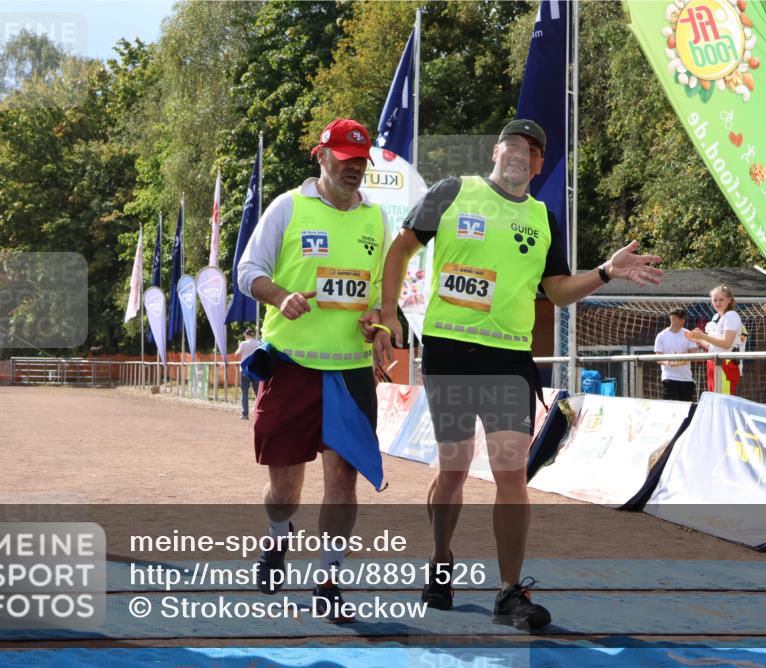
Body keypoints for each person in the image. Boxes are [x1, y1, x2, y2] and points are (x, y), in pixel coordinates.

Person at [375, 119, 662, 630]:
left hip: (509, 358)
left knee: (511, 474)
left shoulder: (543, 218)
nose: (519, 153)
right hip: (451, 351)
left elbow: (556, 292)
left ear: (537, 165)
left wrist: (605, 272)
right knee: (456, 468)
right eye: (512, 143)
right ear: (494, 151)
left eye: (531, 149)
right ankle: (441, 560)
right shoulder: (452, 192)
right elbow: (400, 250)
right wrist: (389, 311)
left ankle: (509, 591)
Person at [236, 118, 388, 624]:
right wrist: (281, 295)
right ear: (320, 157)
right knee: (285, 490)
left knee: (343, 482)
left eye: (361, 162)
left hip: (350, 372)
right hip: (292, 366)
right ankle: (278, 541)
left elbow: (378, 297)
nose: (354, 169)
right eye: (345, 160)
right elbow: (247, 272)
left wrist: (378, 322)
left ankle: (329, 577)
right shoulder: (288, 207)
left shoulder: (376, 219)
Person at [686, 284, 745, 395]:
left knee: (723, 401)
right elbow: (713, 346)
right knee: (716, 399)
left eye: (721, 299)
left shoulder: (731, 315)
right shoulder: (716, 317)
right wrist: (697, 339)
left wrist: (703, 336)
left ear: (729, 300)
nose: (717, 303)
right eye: (715, 300)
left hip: (725, 364)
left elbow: (726, 343)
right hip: (714, 362)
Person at [654, 307, 697, 402]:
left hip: (686, 378)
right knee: (670, 409)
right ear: (672, 318)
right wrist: (669, 362)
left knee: (686, 411)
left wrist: (682, 359)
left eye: (683, 318)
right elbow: (658, 357)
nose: (683, 321)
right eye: (680, 318)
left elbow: (694, 353)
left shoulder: (688, 333)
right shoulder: (661, 336)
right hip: (669, 378)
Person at [235, 329, 262, 420]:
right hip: (256, 369)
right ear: (254, 335)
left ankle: (245, 415)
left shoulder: (243, 343)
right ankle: (261, 412)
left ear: (247, 335)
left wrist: (239, 346)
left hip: (245, 370)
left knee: (244, 392)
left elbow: (237, 354)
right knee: (258, 392)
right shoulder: (259, 343)